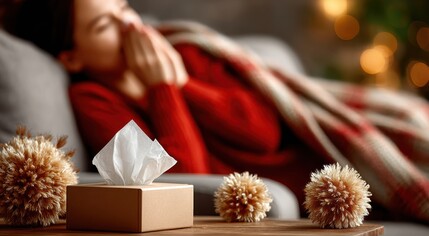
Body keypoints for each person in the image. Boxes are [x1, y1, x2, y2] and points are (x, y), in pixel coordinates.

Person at [3, 0, 325, 208]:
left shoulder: (185, 52)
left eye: (124, 7)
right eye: (104, 25)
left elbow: (264, 134)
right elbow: (186, 180)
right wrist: (163, 88)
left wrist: (184, 83)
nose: (130, 24)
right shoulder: (93, 101)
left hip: (314, 166)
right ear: (72, 58)